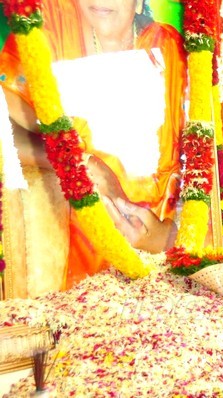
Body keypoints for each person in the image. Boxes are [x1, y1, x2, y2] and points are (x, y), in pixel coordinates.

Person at [0, 0, 187, 290]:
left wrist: (163, 238)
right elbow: (5, 124)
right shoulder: (50, 27)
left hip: (163, 254)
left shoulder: (168, 47)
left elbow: (197, 168)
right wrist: (78, 163)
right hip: (77, 263)